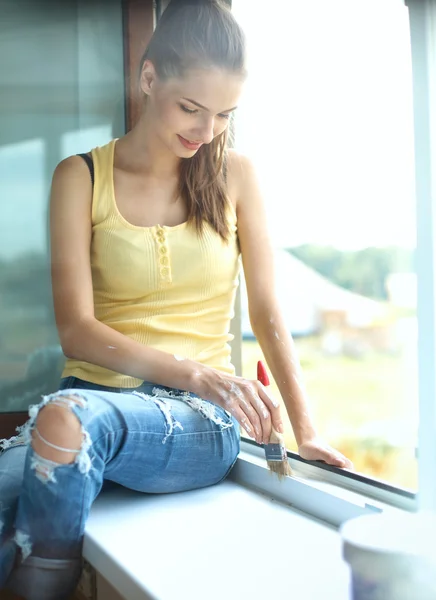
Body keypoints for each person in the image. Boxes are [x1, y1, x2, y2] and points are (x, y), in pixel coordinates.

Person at [0, 0, 352, 597]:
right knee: (66, 422)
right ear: (148, 77)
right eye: (191, 108)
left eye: (223, 114)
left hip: (197, 420)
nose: (206, 130)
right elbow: (77, 330)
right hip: (88, 401)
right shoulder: (79, 176)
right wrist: (196, 371)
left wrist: (304, 428)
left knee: (69, 421)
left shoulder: (236, 176)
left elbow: (267, 312)